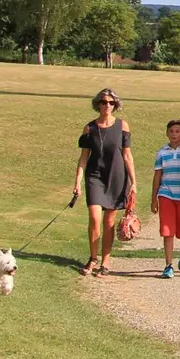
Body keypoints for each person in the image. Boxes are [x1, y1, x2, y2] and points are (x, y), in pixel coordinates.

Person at [72, 88, 136, 277]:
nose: (107, 105)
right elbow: (83, 158)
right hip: (95, 177)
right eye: (103, 102)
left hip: (117, 177)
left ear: (115, 105)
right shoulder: (90, 128)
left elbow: (127, 155)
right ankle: (93, 258)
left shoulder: (123, 126)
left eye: (111, 103)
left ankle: (105, 261)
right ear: (97, 104)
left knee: (109, 222)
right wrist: (77, 181)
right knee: (94, 218)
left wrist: (134, 182)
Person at [149, 118, 180, 278]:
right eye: (171, 131)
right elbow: (157, 175)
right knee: (167, 230)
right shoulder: (162, 153)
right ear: (167, 133)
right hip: (166, 194)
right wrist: (154, 198)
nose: (174, 134)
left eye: (178, 131)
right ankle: (168, 265)